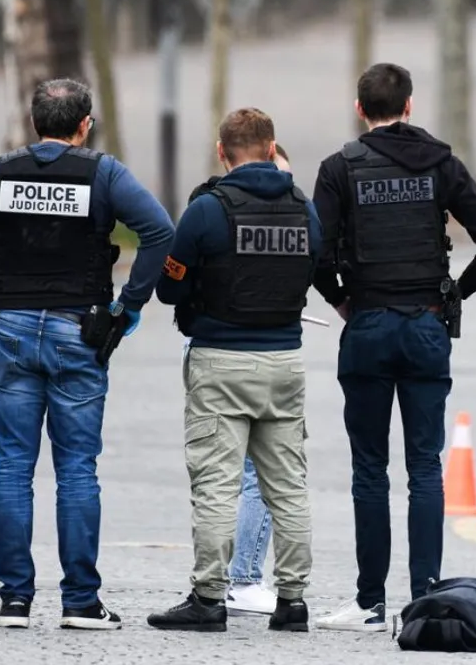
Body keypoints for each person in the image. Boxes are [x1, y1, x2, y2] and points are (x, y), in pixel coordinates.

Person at [0, 78, 174, 631]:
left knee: (11, 467)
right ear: (84, 126)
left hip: (11, 327)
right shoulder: (104, 172)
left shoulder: (1, 173)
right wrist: (128, 306)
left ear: (34, 125)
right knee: (77, 469)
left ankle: (15, 601)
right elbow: (159, 230)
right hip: (80, 328)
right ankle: (80, 601)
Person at [311, 63, 476, 631]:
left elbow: (315, 253)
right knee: (425, 466)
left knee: (369, 469)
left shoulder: (338, 170)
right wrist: (453, 294)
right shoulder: (442, 166)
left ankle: (369, 604)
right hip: (426, 326)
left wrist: (340, 301)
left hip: (369, 326)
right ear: (409, 106)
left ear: (360, 109)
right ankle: (424, 595)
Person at [148, 109, 320, 633]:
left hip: (220, 359)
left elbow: (169, 286)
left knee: (218, 485)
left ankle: (208, 599)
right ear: (272, 150)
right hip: (285, 360)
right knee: (287, 486)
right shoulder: (304, 209)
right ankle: (292, 601)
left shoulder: (207, 210)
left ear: (222, 154)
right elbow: (315, 266)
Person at [180, 143, 295, 617]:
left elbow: (176, 279)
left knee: (238, 476)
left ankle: (222, 584)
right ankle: (243, 577)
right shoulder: (216, 208)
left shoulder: (209, 207)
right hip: (244, 351)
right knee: (254, 476)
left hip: (223, 347)